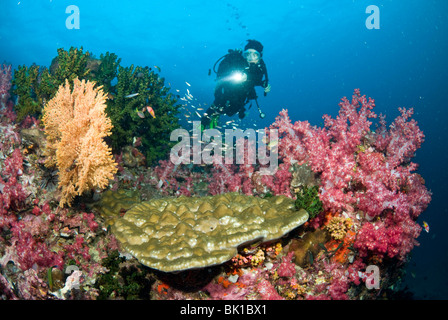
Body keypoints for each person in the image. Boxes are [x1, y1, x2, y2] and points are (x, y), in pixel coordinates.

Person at [202, 40, 271, 129]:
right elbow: (221, 74)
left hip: (242, 95)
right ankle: (201, 126)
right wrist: (234, 73)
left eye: (255, 55)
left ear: (260, 57)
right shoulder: (236, 60)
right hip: (226, 91)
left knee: (231, 112)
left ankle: (216, 118)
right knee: (217, 105)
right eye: (248, 54)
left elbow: (256, 81)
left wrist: (263, 84)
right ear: (244, 54)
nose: (251, 58)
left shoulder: (260, 67)